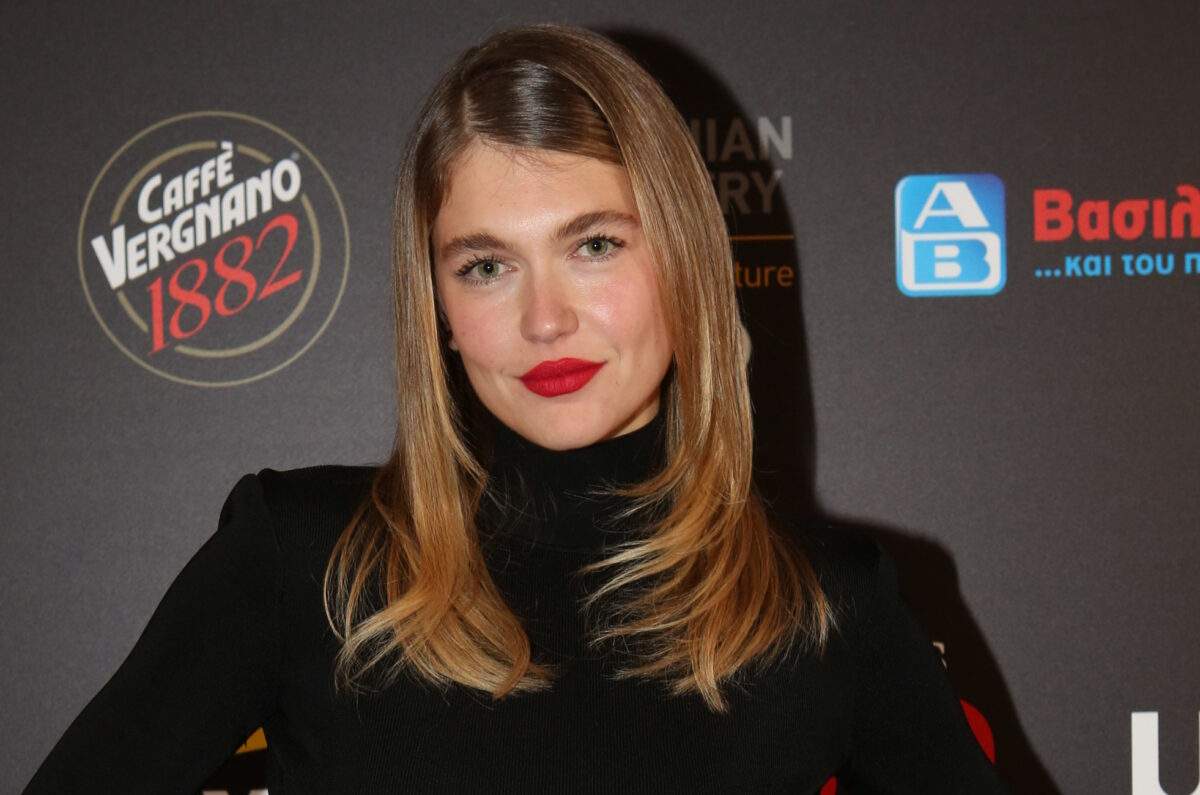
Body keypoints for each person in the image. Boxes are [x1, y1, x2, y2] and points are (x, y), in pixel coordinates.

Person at [23, 22, 1010, 794]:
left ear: (685, 262)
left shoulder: (823, 604)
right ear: (440, 310)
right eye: (487, 266)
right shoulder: (301, 562)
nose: (545, 319)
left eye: (595, 245)